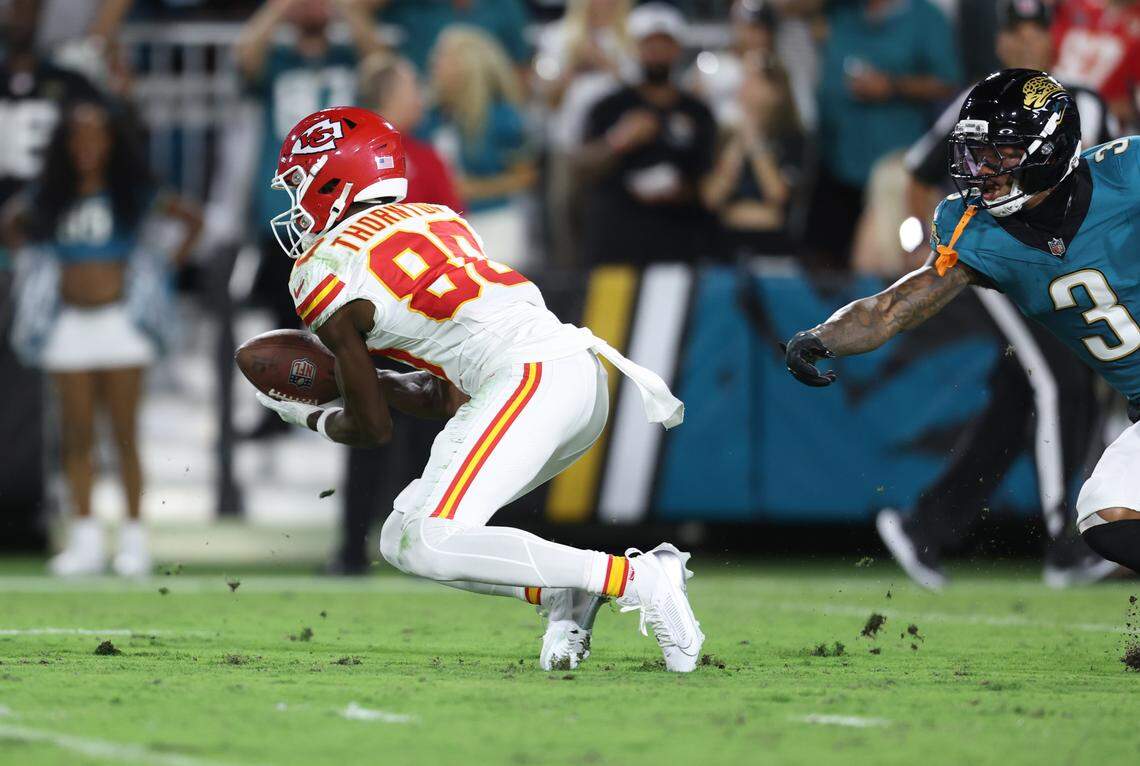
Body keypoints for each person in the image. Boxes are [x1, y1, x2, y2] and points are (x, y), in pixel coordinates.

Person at [254, 106, 702, 671]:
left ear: (335, 180)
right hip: (575, 377)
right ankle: (564, 592)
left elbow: (373, 429)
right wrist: (361, 383)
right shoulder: (439, 217)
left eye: (299, 182)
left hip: (530, 379)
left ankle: (636, 576)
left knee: (437, 537)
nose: (294, 201)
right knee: (402, 539)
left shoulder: (323, 270)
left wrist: (311, 415)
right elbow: (444, 396)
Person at [783, 68, 1140, 580]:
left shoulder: (1127, 173)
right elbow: (893, 306)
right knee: (1106, 517)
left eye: (1002, 153)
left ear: (1049, 149)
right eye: (976, 152)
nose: (983, 168)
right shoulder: (978, 232)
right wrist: (822, 336)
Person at [878, 0, 1119, 589]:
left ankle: (927, 525)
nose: (1030, 42)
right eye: (1019, 31)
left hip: (1061, 266)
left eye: (1040, 30)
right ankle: (1069, 540)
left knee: (1018, 399)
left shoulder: (1085, 102)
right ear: (1004, 43)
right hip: (1000, 259)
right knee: (1059, 379)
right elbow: (918, 170)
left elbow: (1108, 190)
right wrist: (931, 249)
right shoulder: (981, 104)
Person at [4, 99, 202, 576]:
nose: (86, 145)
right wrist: (33, 264)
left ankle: (134, 539)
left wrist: (160, 266)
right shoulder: (50, 192)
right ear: (65, 143)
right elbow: (11, 222)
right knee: (75, 435)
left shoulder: (132, 190)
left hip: (121, 323)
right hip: (67, 323)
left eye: (96, 135)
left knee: (123, 432)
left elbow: (190, 218)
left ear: (112, 140)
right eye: (77, 135)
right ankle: (85, 539)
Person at [332, 52, 464, 575]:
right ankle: (424, 548)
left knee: (369, 430)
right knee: (425, 437)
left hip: (365, 318)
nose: (419, 96)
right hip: (424, 322)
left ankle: (350, 552)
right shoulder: (424, 158)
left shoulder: (346, 164)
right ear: (386, 99)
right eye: (410, 86)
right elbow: (457, 241)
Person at [235, 0, 382, 437]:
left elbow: (378, 57)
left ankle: (360, 399)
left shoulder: (349, 57)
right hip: (286, 204)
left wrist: (343, 7)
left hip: (346, 202)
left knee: (349, 308)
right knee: (282, 310)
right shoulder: (279, 59)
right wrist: (281, 7)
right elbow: (245, 55)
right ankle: (279, 404)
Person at [804, 0, 961, 271]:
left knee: (877, 268)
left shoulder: (925, 18)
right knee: (821, 271)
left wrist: (893, 86)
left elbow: (949, 84)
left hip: (895, 171)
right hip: (835, 163)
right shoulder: (842, 12)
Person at [577, 3, 718, 266]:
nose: (656, 53)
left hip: (679, 244)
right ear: (635, 49)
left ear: (677, 49)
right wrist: (619, 140)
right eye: (648, 44)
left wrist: (680, 191)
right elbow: (582, 168)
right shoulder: (608, 106)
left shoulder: (698, 112)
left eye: (664, 44)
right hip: (615, 245)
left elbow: (709, 179)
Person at [423, 26, 535, 269]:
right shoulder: (433, 118)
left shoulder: (501, 117)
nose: (434, 64)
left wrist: (473, 189)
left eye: (443, 57)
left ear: (466, 65)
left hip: (495, 220)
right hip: (445, 229)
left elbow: (525, 176)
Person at [534, 0, 634, 267]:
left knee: (615, 218)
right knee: (565, 215)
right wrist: (572, 67)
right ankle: (567, 285)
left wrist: (606, 63)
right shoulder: (556, 36)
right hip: (567, 145)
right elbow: (547, 98)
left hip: (619, 144)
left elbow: (642, 93)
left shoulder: (631, 35)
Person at [700, 55, 804, 256]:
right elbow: (712, 197)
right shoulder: (722, 135)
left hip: (773, 244)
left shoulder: (793, 138)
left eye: (755, 79)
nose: (745, 85)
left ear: (777, 92)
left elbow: (777, 194)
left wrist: (754, 142)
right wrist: (738, 145)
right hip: (722, 242)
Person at [1051, 0, 1140, 132]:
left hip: (1101, 124)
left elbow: (1128, 106)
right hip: (1049, 101)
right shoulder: (1073, 7)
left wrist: (1100, 111)